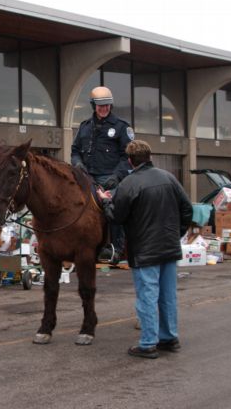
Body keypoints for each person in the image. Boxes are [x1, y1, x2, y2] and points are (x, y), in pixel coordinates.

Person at [96, 140, 192, 359]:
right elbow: (187, 209)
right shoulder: (169, 178)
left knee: (147, 296)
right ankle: (169, 337)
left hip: (144, 250)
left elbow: (117, 217)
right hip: (168, 247)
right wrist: (175, 234)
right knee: (167, 295)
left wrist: (105, 202)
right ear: (150, 156)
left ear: (130, 161)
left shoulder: (129, 183)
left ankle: (148, 343)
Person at [71, 85, 134, 264]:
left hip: (110, 177)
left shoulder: (121, 127)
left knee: (112, 207)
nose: (104, 108)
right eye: (100, 105)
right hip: (87, 177)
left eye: (107, 105)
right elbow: (75, 150)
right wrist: (78, 163)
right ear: (93, 105)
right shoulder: (84, 127)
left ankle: (116, 248)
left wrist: (117, 176)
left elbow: (128, 156)